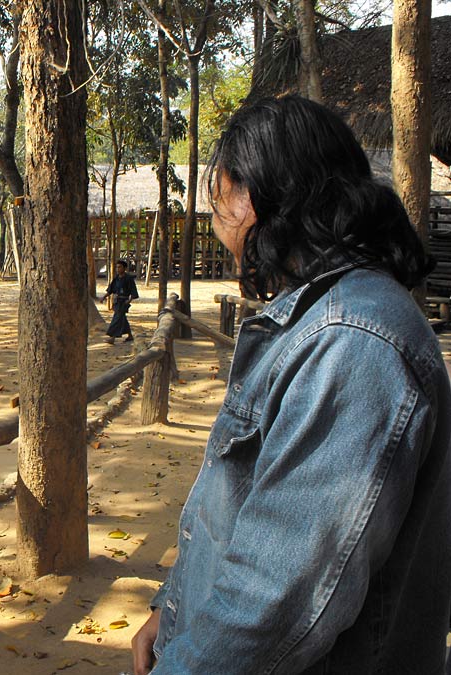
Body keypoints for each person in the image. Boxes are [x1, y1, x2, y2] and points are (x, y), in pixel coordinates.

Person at [131, 95, 451, 673]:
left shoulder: (353, 343)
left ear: (252, 199)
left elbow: (276, 598)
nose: (215, 219)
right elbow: (236, 512)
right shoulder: (321, 320)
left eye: (219, 197)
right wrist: (172, 609)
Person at [102, 259, 138, 343]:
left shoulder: (129, 278)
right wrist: (104, 297)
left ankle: (112, 337)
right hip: (117, 301)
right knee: (122, 318)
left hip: (124, 301)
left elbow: (133, 291)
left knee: (117, 318)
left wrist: (129, 301)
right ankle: (130, 335)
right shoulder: (116, 278)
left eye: (120, 267)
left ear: (124, 268)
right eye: (117, 267)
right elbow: (110, 289)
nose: (118, 269)